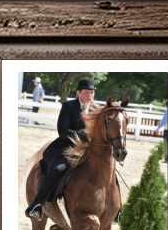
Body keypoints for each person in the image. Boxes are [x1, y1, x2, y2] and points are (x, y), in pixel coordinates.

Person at [26, 78, 122, 222]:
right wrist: (81, 136)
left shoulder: (97, 110)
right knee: (59, 169)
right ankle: (37, 205)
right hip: (67, 147)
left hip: (90, 150)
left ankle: (118, 211)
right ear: (78, 93)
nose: (89, 95)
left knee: (110, 170)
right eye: (86, 92)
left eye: (92, 92)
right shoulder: (69, 106)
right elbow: (62, 130)